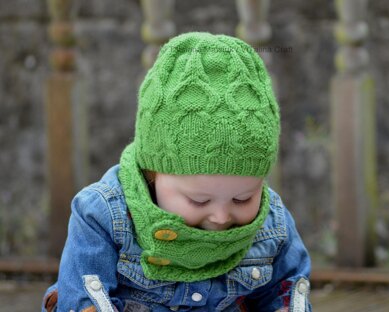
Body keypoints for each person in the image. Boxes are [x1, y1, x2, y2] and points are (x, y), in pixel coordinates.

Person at [42, 32, 311, 312]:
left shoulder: (273, 224)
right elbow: (85, 296)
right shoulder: (102, 216)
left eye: (243, 199)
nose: (220, 217)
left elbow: (287, 292)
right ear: (153, 173)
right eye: (199, 201)